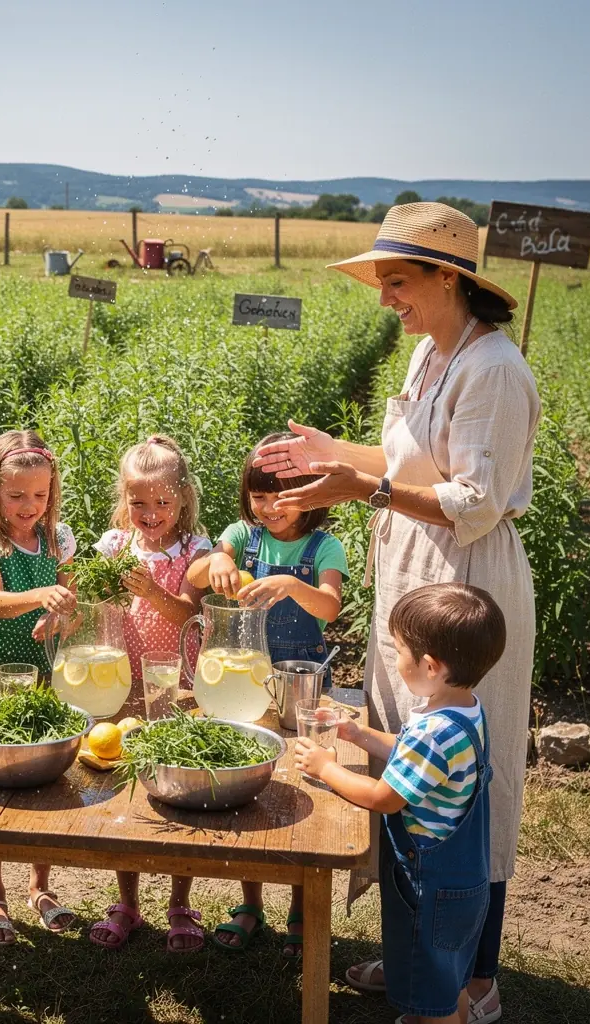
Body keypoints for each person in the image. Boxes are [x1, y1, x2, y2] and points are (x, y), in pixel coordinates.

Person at [255, 202, 538, 1021]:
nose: (387, 298)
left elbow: (475, 501)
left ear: (450, 278)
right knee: (408, 765)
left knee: (475, 785)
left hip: (466, 578)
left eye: (399, 281)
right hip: (416, 567)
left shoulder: (494, 371)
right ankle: (418, 954)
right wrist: (335, 455)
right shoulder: (429, 352)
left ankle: (474, 977)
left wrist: (364, 488)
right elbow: (408, 458)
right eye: (383, 281)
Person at [295, 583, 505, 1024]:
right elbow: (411, 755)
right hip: (463, 879)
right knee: (449, 979)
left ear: (430, 666)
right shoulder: (463, 710)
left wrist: (327, 768)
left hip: (430, 885)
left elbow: (384, 798)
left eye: (400, 651)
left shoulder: (433, 733)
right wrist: (359, 734)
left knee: (432, 986)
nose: (397, 659)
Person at [187, 434, 348, 956]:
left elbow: (329, 607)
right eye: (259, 495)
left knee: (304, 791)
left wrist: (289, 585)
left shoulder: (324, 548)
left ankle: (302, 906)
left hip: (301, 689)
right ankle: (250, 902)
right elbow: (198, 573)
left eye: (283, 493)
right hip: (246, 683)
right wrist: (215, 563)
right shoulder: (240, 535)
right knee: (249, 789)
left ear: (312, 493)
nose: (269, 506)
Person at [87, 435, 212, 953]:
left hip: (177, 688)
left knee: (178, 793)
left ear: (182, 497)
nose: (150, 512)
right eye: (138, 502)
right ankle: (127, 901)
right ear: (124, 500)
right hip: (123, 688)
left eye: (162, 502)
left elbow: (189, 615)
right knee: (128, 793)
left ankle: (180, 901)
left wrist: (153, 592)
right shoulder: (114, 547)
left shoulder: (195, 551)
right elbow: (85, 592)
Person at [0, 429, 79, 944]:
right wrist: (43, 596)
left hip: (45, 678)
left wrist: (62, 616)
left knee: (43, 780)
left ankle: (40, 885)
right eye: (16, 495)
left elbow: (73, 606)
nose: (29, 506)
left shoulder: (61, 539)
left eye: (40, 494)